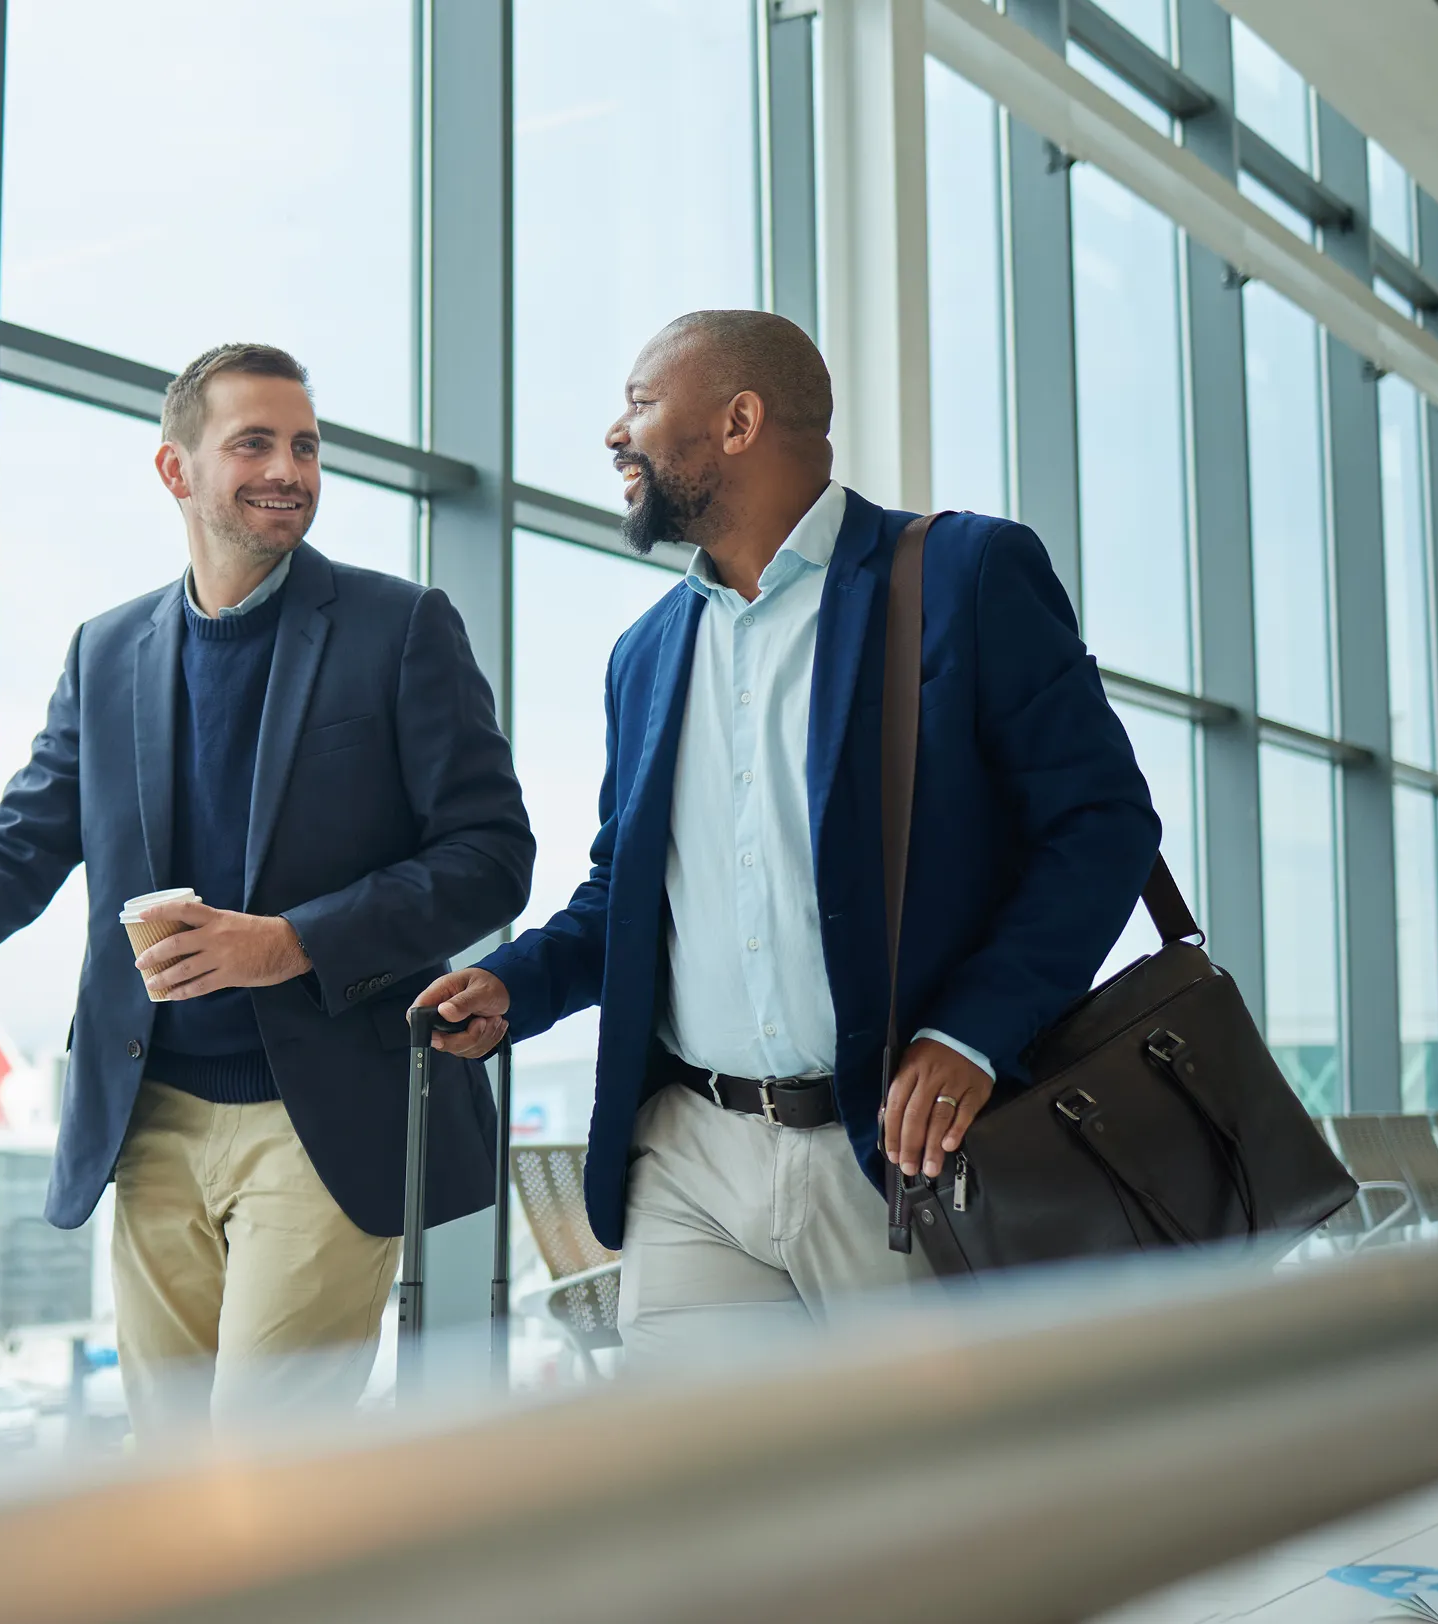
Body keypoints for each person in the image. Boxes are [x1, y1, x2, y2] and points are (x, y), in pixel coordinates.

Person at [0, 343, 532, 1437]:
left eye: (304, 445)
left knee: (263, 1472)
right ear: (175, 470)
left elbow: (491, 855)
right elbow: (18, 848)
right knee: (169, 1475)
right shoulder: (107, 649)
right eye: (253, 441)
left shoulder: (398, 627)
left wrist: (292, 941)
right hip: (149, 1117)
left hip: (324, 1119)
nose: (289, 468)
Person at [415, 311, 1158, 1360]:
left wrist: (971, 1032)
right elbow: (622, 893)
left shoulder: (960, 577)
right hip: (691, 1158)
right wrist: (516, 987)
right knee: (709, 1505)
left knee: (920, 1502)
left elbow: (1099, 823)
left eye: (637, 402)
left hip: (897, 1155)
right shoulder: (645, 654)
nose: (611, 433)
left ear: (737, 420)